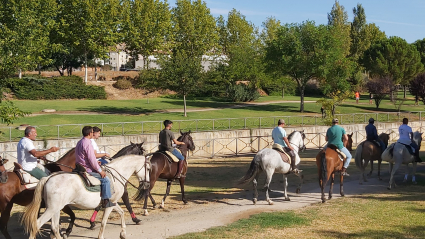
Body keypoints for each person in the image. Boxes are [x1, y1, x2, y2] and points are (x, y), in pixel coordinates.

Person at [76, 126, 115, 208]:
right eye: (92, 132)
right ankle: (106, 201)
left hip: (79, 166)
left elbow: (83, 156)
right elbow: (91, 158)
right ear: (90, 133)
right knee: (106, 180)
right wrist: (100, 171)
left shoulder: (80, 142)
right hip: (87, 169)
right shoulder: (88, 143)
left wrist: (95, 161)